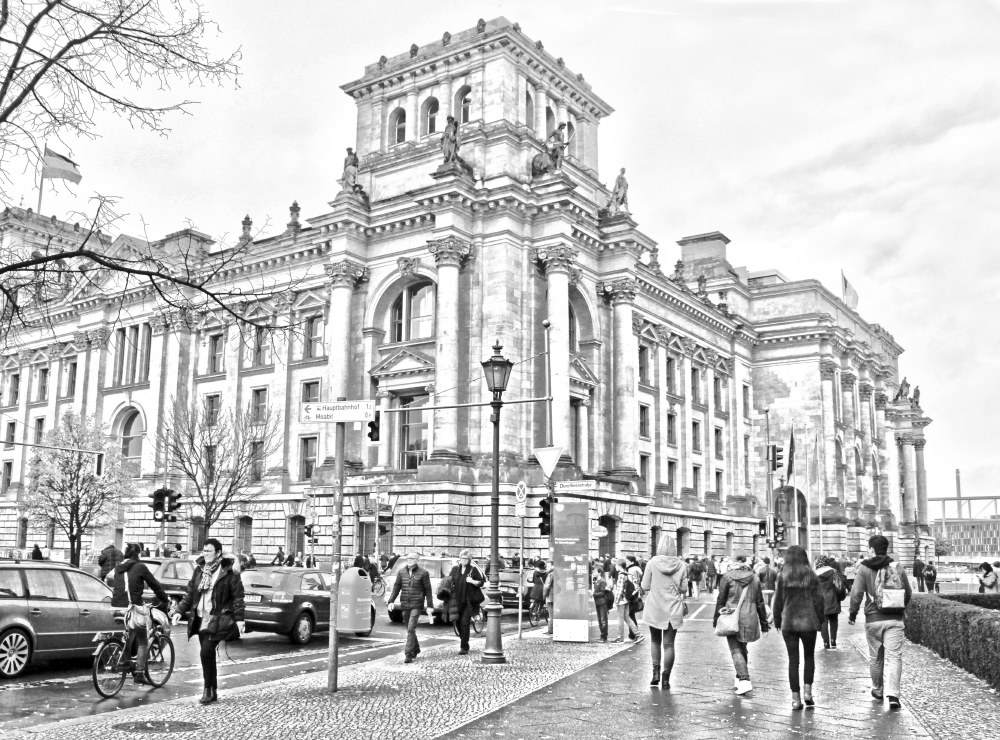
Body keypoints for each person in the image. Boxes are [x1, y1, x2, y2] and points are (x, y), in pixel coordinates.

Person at [171, 538, 245, 705]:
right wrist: (179, 611)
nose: (205, 554)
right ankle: (212, 690)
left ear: (218, 553)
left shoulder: (228, 572)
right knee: (208, 655)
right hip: (200, 618)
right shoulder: (199, 570)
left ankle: (207, 690)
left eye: (209, 551)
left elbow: (238, 597)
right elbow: (190, 593)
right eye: (204, 550)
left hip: (217, 618)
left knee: (205, 652)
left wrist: (240, 619)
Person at [848, 534, 912, 710]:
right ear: (887, 548)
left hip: (873, 619)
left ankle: (877, 690)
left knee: (876, 657)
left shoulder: (864, 568)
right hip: (894, 620)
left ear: (871, 549)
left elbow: (856, 594)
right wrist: (898, 608)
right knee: (894, 657)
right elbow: (908, 592)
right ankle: (893, 695)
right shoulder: (896, 567)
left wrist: (853, 613)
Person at [772, 546, 825, 710]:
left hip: (789, 622)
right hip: (809, 622)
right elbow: (819, 600)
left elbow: (778, 601)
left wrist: (777, 620)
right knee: (809, 657)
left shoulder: (783, 576)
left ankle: (795, 699)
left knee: (793, 661)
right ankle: (808, 693)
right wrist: (819, 620)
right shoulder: (811, 575)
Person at [111, 543, 170, 685]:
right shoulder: (140, 567)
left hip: (118, 608)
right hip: (133, 608)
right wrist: (165, 599)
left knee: (130, 635)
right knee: (143, 641)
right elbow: (154, 585)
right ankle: (139, 673)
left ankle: (127, 661)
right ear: (138, 554)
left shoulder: (118, 567)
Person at [714, 550, 769, 695]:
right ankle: (739, 677)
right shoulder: (754, 577)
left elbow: (721, 599)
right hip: (749, 616)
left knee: (735, 649)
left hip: (732, 615)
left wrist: (716, 618)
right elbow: (760, 603)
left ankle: (745, 680)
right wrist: (764, 622)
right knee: (743, 646)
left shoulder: (727, 576)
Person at [641, 536, 687, 689]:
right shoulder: (681, 565)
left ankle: (655, 674)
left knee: (655, 641)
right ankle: (666, 679)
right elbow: (684, 589)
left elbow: (645, 586)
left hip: (655, 607)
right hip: (673, 608)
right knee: (669, 645)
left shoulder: (652, 563)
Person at [387, 551, 434, 664]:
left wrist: (430, 605)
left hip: (417, 604)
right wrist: (391, 601)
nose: (409, 560)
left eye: (412, 558)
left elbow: (428, 590)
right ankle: (416, 648)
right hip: (405, 604)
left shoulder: (423, 573)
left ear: (417, 560)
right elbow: (397, 587)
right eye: (408, 558)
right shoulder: (401, 572)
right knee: (409, 628)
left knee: (411, 628)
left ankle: (408, 654)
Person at [447, 550, 485, 655]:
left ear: (469, 560)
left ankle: (464, 646)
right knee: (458, 623)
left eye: (466, 559)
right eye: (462, 558)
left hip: (469, 601)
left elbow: (481, 582)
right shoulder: (455, 570)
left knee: (464, 623)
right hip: (457, 600)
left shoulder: (473, 570)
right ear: (460, 559)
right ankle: (463, 638)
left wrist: (472, 581)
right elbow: (449, 580)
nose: (464, 560)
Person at [815, 556, 848, 649]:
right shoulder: (833, 571)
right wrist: (841, 597)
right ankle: (833, 640)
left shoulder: (814, 574)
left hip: (820, 600)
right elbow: (840, 584)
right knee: (834, 620)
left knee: (823, 621)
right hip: (833, 598)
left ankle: (826, 642)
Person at [613, 558, 642, 643]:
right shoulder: (627, 574)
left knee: (620, 619)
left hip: (621, 600)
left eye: (616, 565)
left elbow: (619, 589)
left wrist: (616, 601)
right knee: (627, 618)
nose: (615, 567)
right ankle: (638, 634)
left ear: (619, 566)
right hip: (626, 599)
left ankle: (620, 637)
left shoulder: (621, 575)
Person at [592, 569, 612, 642]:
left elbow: (602, 592)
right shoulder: (596, 581)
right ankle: (602, 635)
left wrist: (593, 594)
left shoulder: (602, 581)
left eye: (595, 571)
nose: (593, 573)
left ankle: (604, 636)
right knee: (600, 619)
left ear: (599, 573)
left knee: (603, 620)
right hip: (598, 602)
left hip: (602, 602)